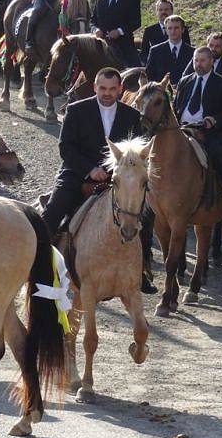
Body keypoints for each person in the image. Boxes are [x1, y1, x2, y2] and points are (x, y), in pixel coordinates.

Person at [41, 68, 157, 294]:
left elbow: (136, 154)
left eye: (113, 89)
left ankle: (142, 269)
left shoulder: (131, 116)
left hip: (118, 178)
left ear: (120, 89)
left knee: (147, 214)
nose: (107, 93)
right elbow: (66, 148)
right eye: (102, 88)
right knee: (55, 208)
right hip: (77, 172)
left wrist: (116, 171)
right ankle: (38, 261)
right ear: (95, 87)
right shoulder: (75, 110)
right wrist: (90, 169)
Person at [175, 47, 222, 213]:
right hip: (183, 129)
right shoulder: (185, 81)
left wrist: (214, 120)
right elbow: (177, 107)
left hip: (209, 131)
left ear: (211, 62)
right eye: (196, 60)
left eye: (203, 60)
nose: (199, 64)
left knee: (217, 154)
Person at [90, 0, 142, 68]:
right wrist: (95, 30)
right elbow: (93, 21)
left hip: (124, 47)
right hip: (102, 47)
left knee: (134, 73)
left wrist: (119, 31)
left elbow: (136, 22)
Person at [146, 15, 195, 85]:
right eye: (170, 28)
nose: (173, 31)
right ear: (166, 30)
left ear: (183, 29)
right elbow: (149, 76)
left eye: (176, 28)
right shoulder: (155, 51)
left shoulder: (192, 52)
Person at [140, 0, 192, 64]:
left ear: (172, 11)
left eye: (166, 9)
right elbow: (144, 54)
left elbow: (187, 49)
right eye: (160, 10)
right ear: (157, 12)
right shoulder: (149, 31)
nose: (163, 12)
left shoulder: (181, 29)